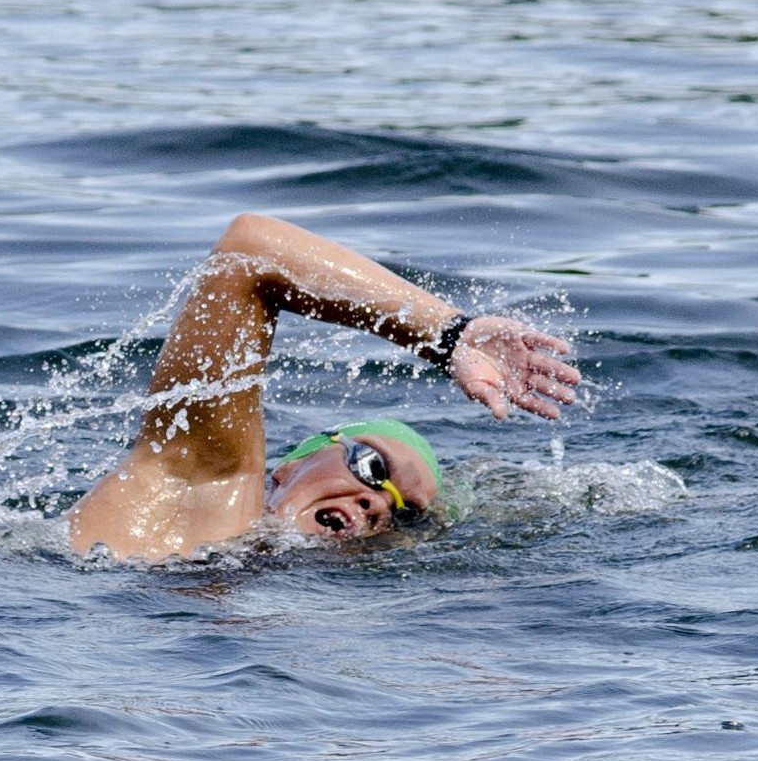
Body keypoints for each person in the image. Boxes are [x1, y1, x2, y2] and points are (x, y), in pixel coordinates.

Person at [68, 213, 581, 560]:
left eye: (404, 515)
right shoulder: (194, 489)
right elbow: (249, 249)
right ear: (290, 467)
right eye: (372, 467)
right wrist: (446, 336)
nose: (376, 503)